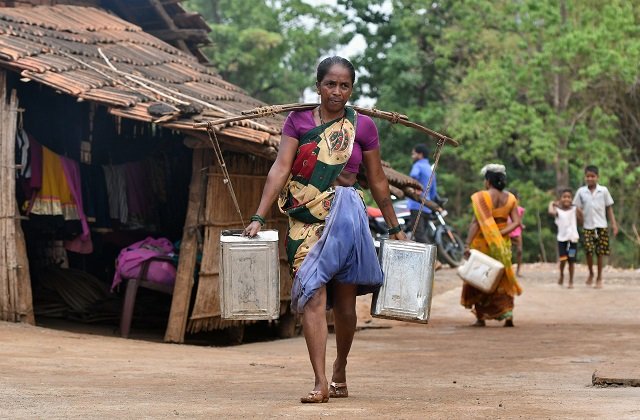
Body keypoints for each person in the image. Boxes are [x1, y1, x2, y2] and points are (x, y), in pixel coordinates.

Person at [244, 56, 406, 403]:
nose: (336, 91)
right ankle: (320, 381)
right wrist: (258, 216)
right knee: (313, 294)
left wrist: (395, 228)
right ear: (318, 86)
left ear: (351, 89)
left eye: (344, 85)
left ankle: (340, 367)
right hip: (304, 219)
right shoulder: (297, 121)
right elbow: (281, 168)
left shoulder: (363, 127)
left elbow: (377, 180)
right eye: (330, 84)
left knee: (345, 304)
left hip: (346, 219)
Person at [461, 164, 522, 327]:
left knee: (480, 276)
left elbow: (476, 223)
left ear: (488, 181)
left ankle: (481, 317)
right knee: (503, 277)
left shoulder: (482, 197)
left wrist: (467, 244)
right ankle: (508, 315)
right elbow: (517, 222)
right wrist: (500, 233)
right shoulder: (510, 198)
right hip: (502, 244)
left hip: (482, 243)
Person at [572, 165, 618, 289]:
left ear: (597, 177)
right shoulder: (581, 192)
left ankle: (599, 277)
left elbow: (609, 208)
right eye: (588, 176)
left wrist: (613, 224)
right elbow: (576, 207)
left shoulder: (603, 191)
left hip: (601, 225)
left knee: (600, 252)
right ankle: (591, 273)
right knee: (588, 251)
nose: (590, 179)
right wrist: (578, 217)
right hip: (587, 226)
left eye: (593, 176)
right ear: (585, 177)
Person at [548, 188, 583, 289]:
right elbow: (551, 212)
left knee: (571, 260)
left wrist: (579, 211)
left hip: (573, 240)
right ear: (560, 199)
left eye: (569, 197)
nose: (566, 199)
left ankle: (571, 280)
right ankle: (562, 274)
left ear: (572, 199)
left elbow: (582, 220)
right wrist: (552, 203)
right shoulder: (558, 211)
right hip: (562, 240)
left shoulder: (574, 209)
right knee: (563, 259)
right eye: (564, 197)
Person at [407, 144, 442, 244]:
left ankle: (433, 258)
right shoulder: (430, 170)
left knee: (419, 235)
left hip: (417, 205)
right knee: (423, 234)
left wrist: (415, 186)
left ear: (420, 155)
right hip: (427, 207)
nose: (412, 156)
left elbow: (414, 175)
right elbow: (434, 191)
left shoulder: (417, 165)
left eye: (414, 154)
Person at [508, 190, 525, 276]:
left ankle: (518, 271)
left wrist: (522, 225)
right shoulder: (506, 209)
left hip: (517, 232)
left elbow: (519, 220)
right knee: (508, 252)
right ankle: (508, 270)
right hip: (507, 231)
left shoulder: (520, 210)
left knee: (519, 250)